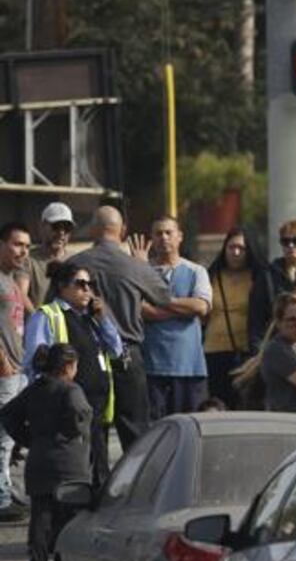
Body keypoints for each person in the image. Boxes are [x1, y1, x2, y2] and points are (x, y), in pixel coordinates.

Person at [72, 206, 172, 451]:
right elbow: (164, 297)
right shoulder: (134, 265)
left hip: (87, 357)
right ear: (123, 231)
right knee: (135, 430)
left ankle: (95, 487)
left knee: (92, 428)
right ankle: (137, 485)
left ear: (94, 229)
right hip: (128, 356)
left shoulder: (75, 264)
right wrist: (143, 264)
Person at [0, 344, 91, 561]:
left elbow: (8, 413)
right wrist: (75, 434)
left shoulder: (35, 389)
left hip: (39, 461)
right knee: (71, 522)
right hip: (70, 465)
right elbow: (80, 415)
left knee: (41, 520)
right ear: (68, 366)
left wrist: (30, 438)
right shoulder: (72, 390)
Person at [24, 262, 123, 487]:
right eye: (80, 284)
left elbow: (116, 350)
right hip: (67, 408)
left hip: (96, 407)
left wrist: (103, 318)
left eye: (91, 284)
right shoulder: (48, 315)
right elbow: (34, 363)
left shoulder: (91, 318)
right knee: (74, 471)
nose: (87, 289)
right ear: (62, 287)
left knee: (99, 468)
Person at [142, 216, 212, 418]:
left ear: (179, 237)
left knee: (191, 428)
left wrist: (161, 301)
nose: (163, 237)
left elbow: (200, 306)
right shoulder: (143, 271)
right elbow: (141, 310)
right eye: (158, 233)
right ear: (152, 239)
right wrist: (182, 306)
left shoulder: (196, 271)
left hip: (190, 368)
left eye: (168, 232)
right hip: (153, 368)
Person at [204, 227, 263, 410]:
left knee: (245, 406)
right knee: (218, 406)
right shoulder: (211, 276)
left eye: (241, 248)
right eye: (231, 247)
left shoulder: (259, 277)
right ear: (224, 249)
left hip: (246, 354)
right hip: (214, 353)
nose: (236, 252)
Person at [0, 222, 30, 522]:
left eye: (26, 246)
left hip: (18, 369)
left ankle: (7, 490)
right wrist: (3, 360)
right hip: (4, 371)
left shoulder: (11, 281)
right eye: (17, 244)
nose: (23, 251)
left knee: (12, 438)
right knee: (3, 438)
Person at [248, 219, 296, 351]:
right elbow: (256, 320)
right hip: (278, 349)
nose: (290, 245)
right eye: (285, 241)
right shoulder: (268, 275)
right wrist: (259, 352)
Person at [26, 201, 75, 307]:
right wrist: (38, 319)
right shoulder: (28, 260)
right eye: (56, 226)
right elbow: (21, 295)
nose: (61, 233)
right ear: (41, 227)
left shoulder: (76, 261)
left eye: (67, 228)